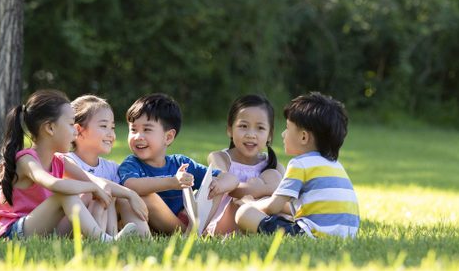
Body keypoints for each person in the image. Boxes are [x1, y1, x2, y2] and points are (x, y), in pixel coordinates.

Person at [0, 89, 138, 241]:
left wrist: (130, 194)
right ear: (50, 128)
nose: (75, 132)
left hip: (43, 229)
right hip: (13, 233)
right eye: (71, 124)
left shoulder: (59, 160)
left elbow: (95, 181)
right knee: (65, 195)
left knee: (88, 195)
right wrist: (92, 187)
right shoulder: (26, 160)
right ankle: (103, 240)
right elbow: (55, 184)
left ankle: (103, 238)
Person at [235, 92, 360, 238]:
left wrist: (250, 204)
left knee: (244, 214)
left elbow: (273, 206)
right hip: (348, 235)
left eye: (288, 128)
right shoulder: (335, 164)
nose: (283, 134)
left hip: (312, 235)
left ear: (303, 137)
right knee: (283, 216)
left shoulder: (300, 164)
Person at [118, 93, 239, 234]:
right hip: (157, 224)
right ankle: (190, 234)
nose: (138, 136)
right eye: (133, 129)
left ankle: (196, 230)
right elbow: (131, 185)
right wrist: (172, 182)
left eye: (147, 129)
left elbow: (232, 178)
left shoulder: (180, 162)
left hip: (186, 219)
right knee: (146, 196)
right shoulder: (131, 163)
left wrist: (219, 185)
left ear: (168, 137)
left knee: (216, 185)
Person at [67, 94, 151, 236]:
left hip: (105, 221)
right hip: (72, 224)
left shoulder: (111, 168)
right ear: (79, 130)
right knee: (103, 191)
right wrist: (130, 194)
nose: (111, 134)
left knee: (119, 197)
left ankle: (145, 240)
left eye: (112, 127)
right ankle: (106, 238)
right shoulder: (67, 160)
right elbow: (97, 183)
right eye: (104, 126)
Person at [204, 94, 285, 235]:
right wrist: (265, 189)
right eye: (243, 126)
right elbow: (230, 189)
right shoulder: (220, 158)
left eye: (260, 128)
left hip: (260, 216)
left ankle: (276, 227)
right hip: (225, 221)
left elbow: (286, 197)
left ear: (270, 135)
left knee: (276, 194)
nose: (251, 134)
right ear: (230, 129)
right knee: (238, 202)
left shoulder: (274, 166)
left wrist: (263, 195)